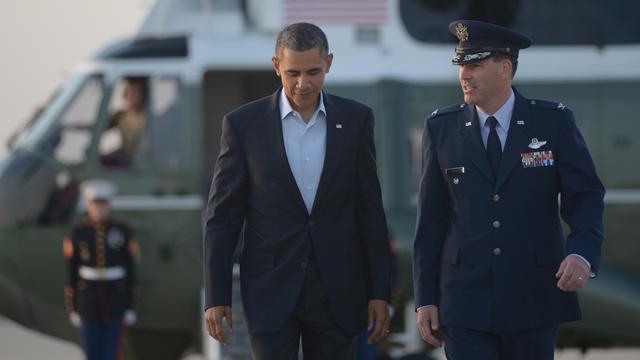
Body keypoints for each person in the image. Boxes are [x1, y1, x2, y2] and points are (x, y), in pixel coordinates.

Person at [412, 20, 605, 360]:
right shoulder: (441, 128)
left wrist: (581, 253)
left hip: (532, 299)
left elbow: (585, 195)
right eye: (461, 66)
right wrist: (425, 297)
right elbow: (430, 221)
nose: (464, 75)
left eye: (474, 65)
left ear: (505, 68)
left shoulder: (553, 123)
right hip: (464, 301)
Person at [203, 22, 391, 359]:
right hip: (269, 291)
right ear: (276, 66)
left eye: (313, 71)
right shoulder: (242, 125)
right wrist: (216, 297)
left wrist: (379, 292)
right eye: (292, 73)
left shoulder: (357, 120)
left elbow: (370, 212)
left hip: (337, 291)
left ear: (329, 63)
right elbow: (222, 217)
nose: (303, 84)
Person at [63, 180, 140, 360]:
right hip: (88, 304)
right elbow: (71, 272)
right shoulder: (78, 233)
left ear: (109, 206)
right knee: (92, 353)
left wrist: (130, 306)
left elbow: (130, 270)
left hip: (116, 302)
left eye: (103, 204)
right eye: (95, 204)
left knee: (111, 354)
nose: (99, 209)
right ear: (89, 206)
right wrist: (73, 307)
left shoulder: (122, 231)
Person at [101, 77, 147, 167]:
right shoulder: (121, 115)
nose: (133, 96)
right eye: (130, 92)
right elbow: (99, 126)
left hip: (137, 166)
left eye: (137, 93)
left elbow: (135, 151)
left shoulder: (149, 119)